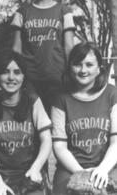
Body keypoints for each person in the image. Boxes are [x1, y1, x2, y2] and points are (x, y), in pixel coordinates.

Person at [0, 50, 52, 195]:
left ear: (23, 76)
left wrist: (36, 168)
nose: (11, 77)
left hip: (27, 171)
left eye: (17, 72)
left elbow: (47, 139)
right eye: (5, 72)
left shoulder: (32, 100)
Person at [11, 0, 75, 115]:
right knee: (34, 123)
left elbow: (69, 48)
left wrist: (71, 76)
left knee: (57, 123)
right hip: (31, 80)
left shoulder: (64, 11)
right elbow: (16, 50)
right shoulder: (21, 13)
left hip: (58, 79)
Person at [51, 42, 117, 195]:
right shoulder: (61, 99)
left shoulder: (112, 94)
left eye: (89, 64)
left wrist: (102, 169)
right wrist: (81, 174)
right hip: (71, 168)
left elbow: (116, 142)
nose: (83, 70)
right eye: (77, 64)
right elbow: (59, 147)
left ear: (99, 67)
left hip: (108, 165)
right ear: (70, 67)